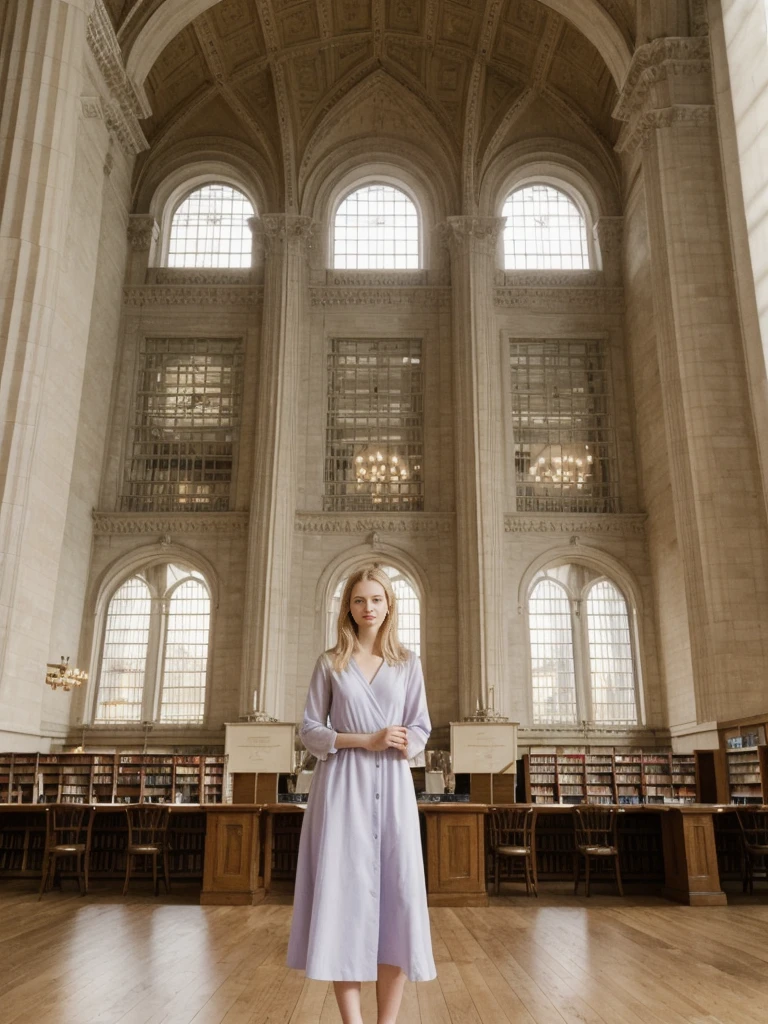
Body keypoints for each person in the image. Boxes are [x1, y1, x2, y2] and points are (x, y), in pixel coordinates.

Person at [286, 565, 437, 1023]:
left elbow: (421, 728)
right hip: (343, 789)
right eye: (358, 600)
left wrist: (400, 740)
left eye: (375, 599)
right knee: (341, 901)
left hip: (392, 788)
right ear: (347, 608)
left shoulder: (408, 663)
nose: (367, 608)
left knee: (398, 900)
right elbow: (310, 731)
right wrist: (363, 739)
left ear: (389, 605)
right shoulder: (330, 662)